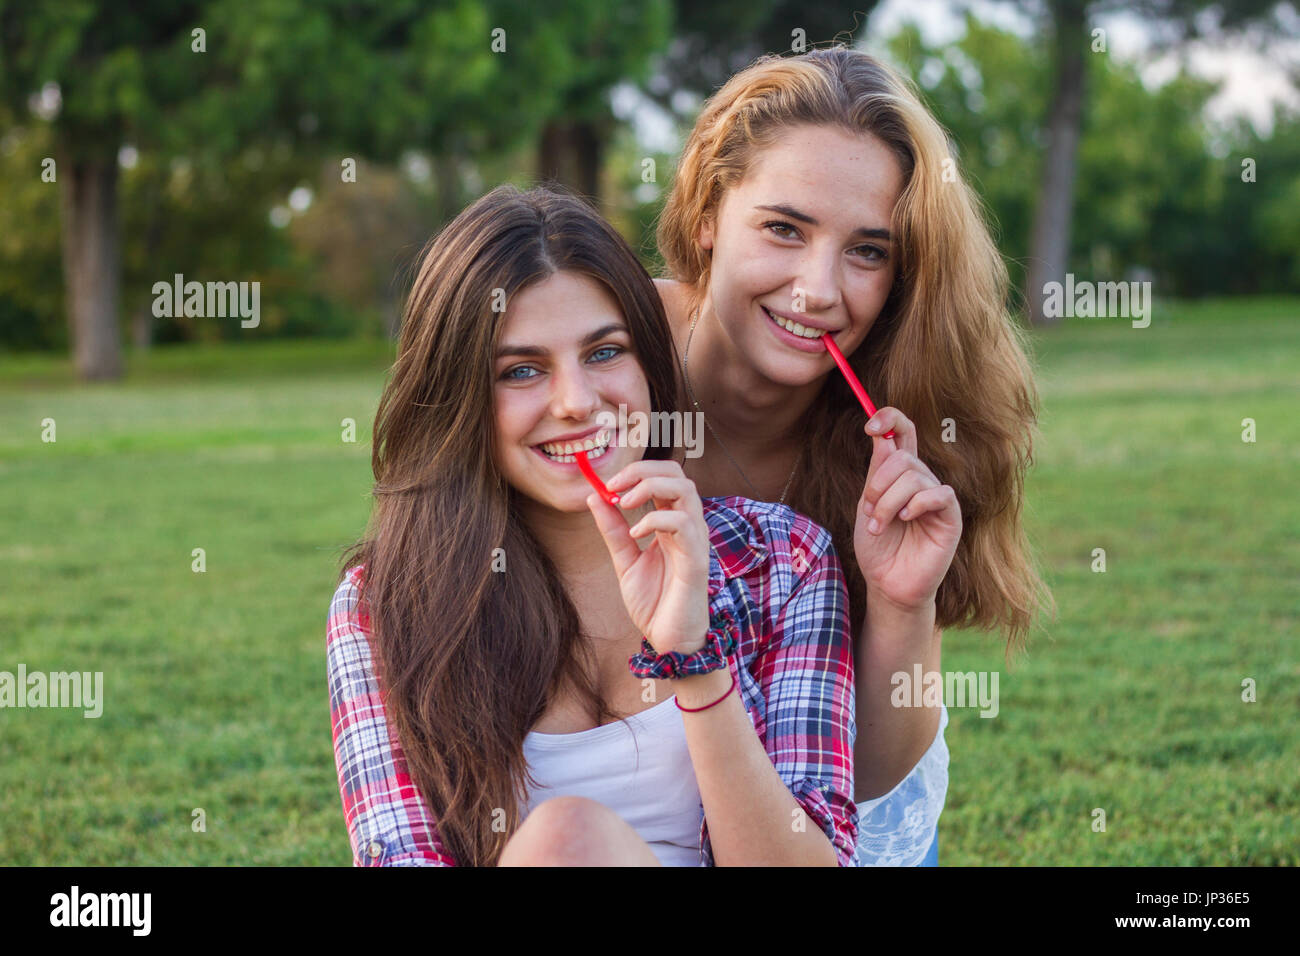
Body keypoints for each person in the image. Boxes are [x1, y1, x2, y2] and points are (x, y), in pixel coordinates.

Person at [327, 184, 858, 866]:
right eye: (521, 370)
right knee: (564, 840)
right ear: (458, 400)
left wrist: (692, 658)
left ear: (649, 365)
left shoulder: (781, 557)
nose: (577, 402)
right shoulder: (383, 608)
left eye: (605, 352)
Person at [653, 45, 1056, 865]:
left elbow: (870, 775)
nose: (818, 289)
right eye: (782, 229)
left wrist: (904, 605)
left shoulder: (908, 420)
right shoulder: (607, 361)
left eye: (867, 251)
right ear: (706, 217)